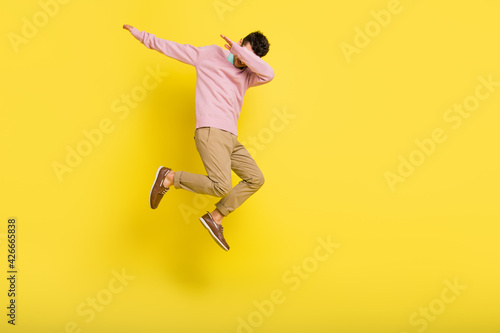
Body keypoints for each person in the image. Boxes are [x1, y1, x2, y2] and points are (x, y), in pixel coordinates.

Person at [123, 24, 275, 251]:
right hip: (211, 130)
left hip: (230, 137)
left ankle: (215, 217)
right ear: (241, 40)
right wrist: (141, 35)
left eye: (249, 58)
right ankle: (170, 177)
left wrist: (241, 52)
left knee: (255, 179)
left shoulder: (249, 75)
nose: (243, 62)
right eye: (244, 51)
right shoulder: (210, 55)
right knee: (222, 186)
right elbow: (172, 48)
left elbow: (269, 73)